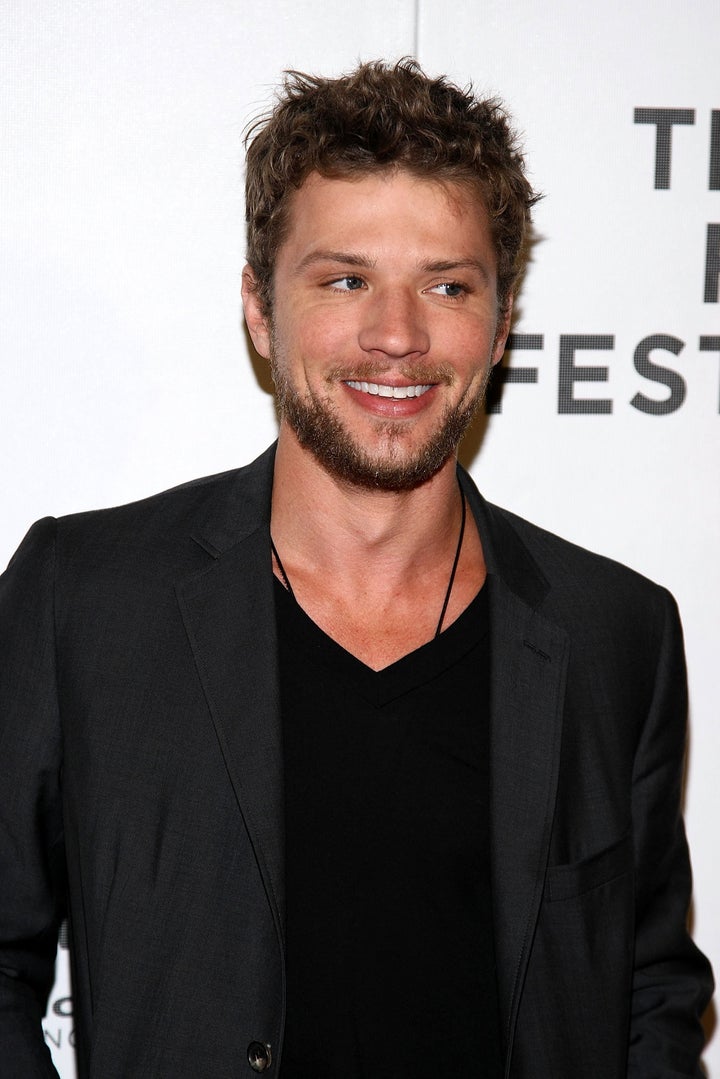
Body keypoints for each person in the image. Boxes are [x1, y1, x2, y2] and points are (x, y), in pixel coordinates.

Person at [0, 59, 713, 1079]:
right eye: (345, 280)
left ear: (501, 324)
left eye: (447, 285)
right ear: (260, 307)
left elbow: (650, 988)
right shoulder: (82, 599)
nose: (397, 336)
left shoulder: (617, 632)